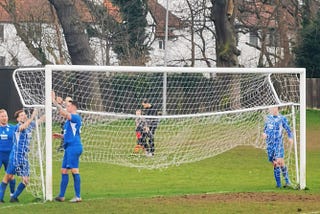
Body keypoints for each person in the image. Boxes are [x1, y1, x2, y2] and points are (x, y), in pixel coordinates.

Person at [0, 108, 39, 203]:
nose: (24, 116)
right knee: (8, 177)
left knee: (26, 180)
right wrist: (33, 115)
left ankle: (14, 197)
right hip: (16, 157)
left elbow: (40, 121)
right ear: (17, 119)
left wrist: (47, 108)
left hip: (24, 157)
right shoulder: (17, 127)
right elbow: (23, 127)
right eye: (21, 115)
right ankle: (0, 198)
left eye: (24, 114)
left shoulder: (29, 125)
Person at [52, 92, 83, 203]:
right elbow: (70, 134)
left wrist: (54, 101)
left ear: (73, 107)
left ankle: (78, 196)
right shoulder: (69, 122)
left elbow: (62, 112)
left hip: (74, 147)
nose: (66, 107)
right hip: (69, 147)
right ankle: (61, 196)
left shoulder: (75, 117)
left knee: (74, 170)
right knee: (64, 170)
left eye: (68, 106)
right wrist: (60, 136)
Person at [262, 106, 293, 188]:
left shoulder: (282, 118)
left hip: (278, 143)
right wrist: (264, 134)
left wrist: (290, 137)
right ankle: (284, 182)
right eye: (270, 108)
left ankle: (281, 184)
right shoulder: (268, 118)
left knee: (277, 162)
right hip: (269, 144)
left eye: (273, 108)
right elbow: (265, 129)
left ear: (277, 108)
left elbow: (288, 129)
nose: (271, 109)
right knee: (280, 163)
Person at [0, 109, 16, 198]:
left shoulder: (13, 128)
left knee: (10, 176)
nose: (4, 118)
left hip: (10, 155)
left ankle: (12, 194)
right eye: (2, 116)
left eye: (5, 116)